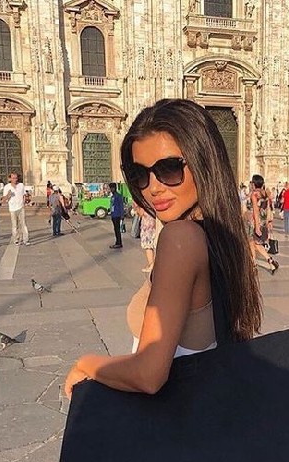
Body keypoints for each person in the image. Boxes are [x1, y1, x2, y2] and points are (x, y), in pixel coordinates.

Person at [65, 98, 262, 433]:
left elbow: (149, 374)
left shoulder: (181, 238)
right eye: (139, 174)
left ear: (203, 162)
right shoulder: (223, 235)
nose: (153, 187)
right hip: (204, 424)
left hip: (177, 430)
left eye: (169, 168)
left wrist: (87, 365)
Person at [248, 173, 279, 274]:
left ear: (254, 184)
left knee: (253, 243)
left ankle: (257, 264)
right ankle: (266, 262)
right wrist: (269, 221)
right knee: (254, 243)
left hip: (255, 222)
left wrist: (257, 226)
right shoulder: (265, 193)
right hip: (263, 221)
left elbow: (255, 211)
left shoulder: (254, 195)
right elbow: (269, 208)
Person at [2, 172, 30, 245]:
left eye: (16, 178)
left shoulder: (21, 185)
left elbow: (24, 195)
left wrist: (24, 202)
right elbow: (3, 199)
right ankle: (16, 239)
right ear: (10, 179)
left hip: (21, 207)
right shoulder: (7, 187)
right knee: (15, 225)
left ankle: (26, 240)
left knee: (23, 224)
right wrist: (8, 195)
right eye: (13, 178)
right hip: (12, 208)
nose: (15, 180)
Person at [136, 203, 156, 271]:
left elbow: (141, 213)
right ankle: (152, 264)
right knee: (153, 245)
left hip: (147, 227)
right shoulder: (151, 203)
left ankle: (151, 265)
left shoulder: (143, 204)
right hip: (153, 225)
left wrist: (137, 208)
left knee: (148, 247)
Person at [108, 182, 124, 249]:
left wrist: (122, 215)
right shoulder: (112, 197)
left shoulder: (118, 196)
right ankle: (117, 242)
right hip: (113, 215)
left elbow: (121, 205)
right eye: (110, 188)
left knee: (117, 230)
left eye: (112, 188)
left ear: (115, 188)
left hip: (117, 215)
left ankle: (119, 243)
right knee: (115, 229)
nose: (111, 190)